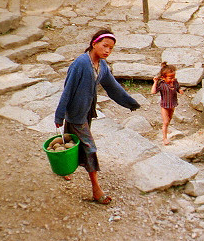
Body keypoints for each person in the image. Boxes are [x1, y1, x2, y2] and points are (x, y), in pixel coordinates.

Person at [54, 29, 140, 204]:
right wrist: (59, 114)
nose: (108, 50)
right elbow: (67, 90)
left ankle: (67, 168)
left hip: (87, 112)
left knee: (73, 142)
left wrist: (130, 103)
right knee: (90, 148)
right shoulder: (80, 63)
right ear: (94, 44)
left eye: (111, 48)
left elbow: (112, 87)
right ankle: (96, 189)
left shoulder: (101, 66)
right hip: (76, 114)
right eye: (105, 46)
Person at [151, 62, 184, 145]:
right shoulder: (162, 85)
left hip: (172, 104)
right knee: (165, 122)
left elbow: (177, 87)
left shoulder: (175, 82)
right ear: (163, 77)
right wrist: (155, 82)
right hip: (165, 106)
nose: (172, 79)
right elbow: (153, 92)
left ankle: (167, 129)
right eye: (170, 78)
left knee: (169, 119)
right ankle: (164, 138)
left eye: (174, 77)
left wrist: (180, 90)